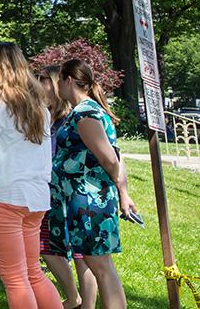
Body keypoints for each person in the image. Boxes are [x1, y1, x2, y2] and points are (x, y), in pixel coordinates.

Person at [0, 41, 63, 309]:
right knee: (33, 274)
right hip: (34, 199)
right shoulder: (38, 106)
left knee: (16, 280)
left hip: (0, 198)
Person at [49, 59, 138, 309]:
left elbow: (111, 159)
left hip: (90, 202)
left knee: (101, 266)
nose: (58, 88)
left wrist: (123, 193)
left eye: (59, 82)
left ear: (68, 80)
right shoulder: (86, 110)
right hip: (85, 201)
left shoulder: (85, 113)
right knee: (99, 264)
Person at [38, 65, 98, 309]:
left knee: (83, 256)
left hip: (73, 194)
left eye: (42, 79)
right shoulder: (47, 116)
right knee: (47, 247)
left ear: (55, 83)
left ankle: (86, 305)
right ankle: (74, 297)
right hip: (51, 191)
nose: (37, 83)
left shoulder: (73, 118)